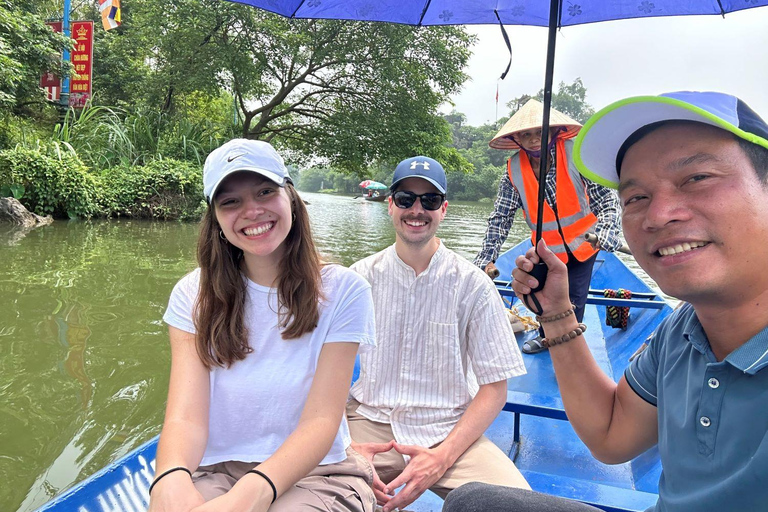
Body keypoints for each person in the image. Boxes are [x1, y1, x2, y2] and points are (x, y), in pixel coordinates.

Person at [444, 91, 768, 512]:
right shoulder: (681, 329)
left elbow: (602, 209)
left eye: (697, 178)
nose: (659, 214)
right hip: (548, 254)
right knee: (473, 503)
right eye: (636, 197)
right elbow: (612, 436)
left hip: (584, 246)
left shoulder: (573, 160)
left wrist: (607, 237)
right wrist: (543, 305)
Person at [148, 139, 377, 512]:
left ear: (290, 198)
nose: (252, 211)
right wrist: (170, 478)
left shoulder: (344, 290)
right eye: (230, 201)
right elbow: (185, 416)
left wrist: (246, 498)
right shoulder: (193, 293)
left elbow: (321, 422)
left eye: (265, 192)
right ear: (217, 220)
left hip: (318, 472)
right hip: (217, 469)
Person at [347, 156, 529, 512]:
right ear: (391, 205)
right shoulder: (358, 279)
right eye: (406, 199)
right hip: (367, 424)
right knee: (305, 496)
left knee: (519, 506)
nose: (417, 209)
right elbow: (326, 374)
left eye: (429, 201)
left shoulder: (473, 285)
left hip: (449, 430)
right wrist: (343, 444)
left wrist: (442, 458)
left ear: (443, 209)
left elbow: (494, 388)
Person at [474, 99, 623, 354]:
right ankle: (546, 337)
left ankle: (568, 349)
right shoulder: (513, 171)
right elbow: (500, 218)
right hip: (546, 247)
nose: (534, 140)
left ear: (553, 132)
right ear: (518, 138)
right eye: (527, 134)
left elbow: (606, 199)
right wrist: (486, 258)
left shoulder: (576, 156)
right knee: (539, 293)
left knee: (572, 300)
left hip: (584, 244)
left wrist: (608, 229)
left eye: (540, 133)